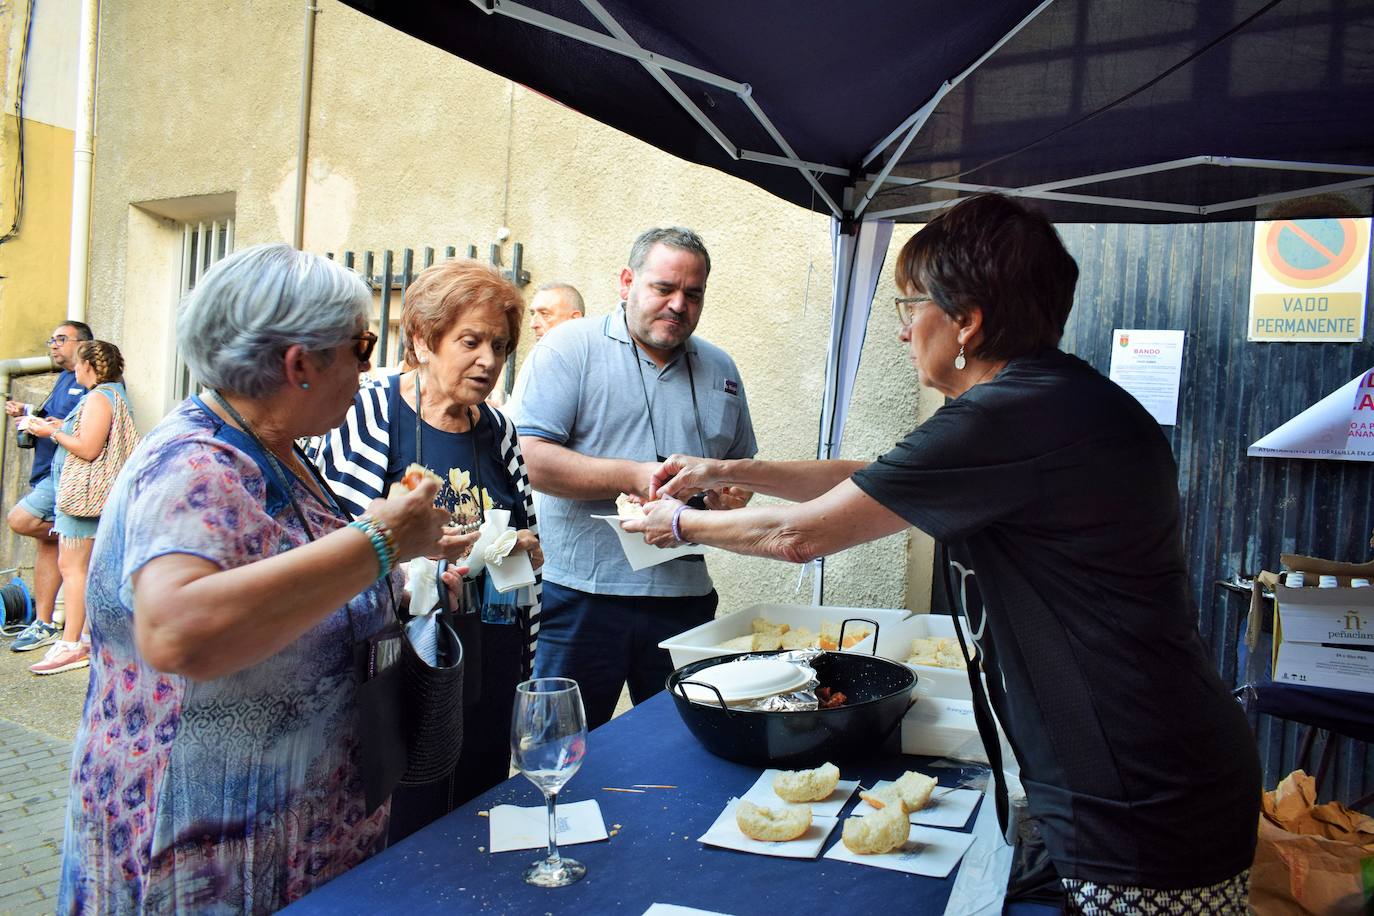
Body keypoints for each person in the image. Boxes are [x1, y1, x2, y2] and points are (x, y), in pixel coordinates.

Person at [625, 195, 1260, 911]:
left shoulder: (1013, 415)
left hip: (1141, 794)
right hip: (1136, 765)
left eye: (909, 305)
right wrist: (724, 472)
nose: (903, 331)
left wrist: (678, 524)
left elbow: (799, 535)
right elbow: (870, 478)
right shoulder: (1047, 402)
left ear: (967, 320)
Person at [57, 244, 470, 913]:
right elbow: (177, 632)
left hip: (289, 847)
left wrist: (392, 586)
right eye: (360, 346)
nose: (370, 370)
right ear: (300, 363)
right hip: (204, 861)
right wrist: (382, 541)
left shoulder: (274, 452)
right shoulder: (198, 464)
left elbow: (286, 592)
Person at [315, 258, 543, 842]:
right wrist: (416, 557)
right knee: (402, 823)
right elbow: (329, 549)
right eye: (470, 341)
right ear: (421, 339)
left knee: (477, 813)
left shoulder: (498, 428)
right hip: (405, 664)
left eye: (499, 344)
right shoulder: (367, 414)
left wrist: (520, 549)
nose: (489, 361)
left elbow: (525, 539)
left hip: (490, 654)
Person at [518, 227, 757, 729]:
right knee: (561, 751)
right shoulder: (568, 348)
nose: (678, 305)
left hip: (685, 599)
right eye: (663, 288)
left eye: (693, 294)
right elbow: (530, 459)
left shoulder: (722, 368)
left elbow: (739, 472)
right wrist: (634, 474)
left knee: (686, 751)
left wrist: (730, 497)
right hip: (581, 596)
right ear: (626, 282)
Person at [24, 340, 133, 675]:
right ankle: (82, 636)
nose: (75, 370)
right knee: (82, 568)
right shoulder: (111, 394)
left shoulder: (100, 397)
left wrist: (50, 433)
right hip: (89, 497)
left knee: (73, 568)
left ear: (89, 367)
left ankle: (71, 644)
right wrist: (58, 426)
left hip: (83, 498)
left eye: (79, 364)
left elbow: (87, 448)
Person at [5, 321, 92, 652]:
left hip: (68, 476)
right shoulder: (65, 377)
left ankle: (87, 537)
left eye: (61, 339)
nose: (53, 346)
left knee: (21, 520)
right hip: (46, 472)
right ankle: (44, 622)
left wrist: (51, 427)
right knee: (48, 543)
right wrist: (26, 413)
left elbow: (81, 427)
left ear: (82, 343)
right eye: (51, 340)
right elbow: (53, 416)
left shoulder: (94, 381)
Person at [497, 282, 585, 420]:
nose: (533, 324)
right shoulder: (547, 357)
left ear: (574, 319)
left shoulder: (569, 363)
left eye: (545, 314)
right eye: (533, 313)